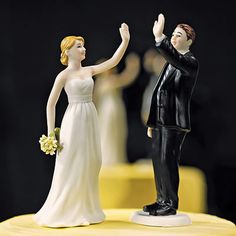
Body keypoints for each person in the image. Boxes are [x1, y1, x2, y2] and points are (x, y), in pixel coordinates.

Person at [34, 23, 130, 227]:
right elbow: (51, 104)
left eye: (83, 46)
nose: (83, 49)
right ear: (67, 52)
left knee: (91, 160)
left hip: (90, 116)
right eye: (78, 46)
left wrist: (125, 41)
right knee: (72, 160)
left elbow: (113, 61)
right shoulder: (64, 76)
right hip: (74, 118)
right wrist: (51, 134)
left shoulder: (90, 70)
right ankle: (67, 208)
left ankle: (87, 207)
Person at [143, 14, 199, 216]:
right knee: (158, 160)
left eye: (178, 35)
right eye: (172, 35)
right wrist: (152, 122)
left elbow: (174, 57)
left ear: (189, 41)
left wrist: (160, 39)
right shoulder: (170, 62)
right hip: (161, 122)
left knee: (168, 161)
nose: (174, 38)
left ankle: (170, 203)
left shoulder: (189, 62)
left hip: (174, 122)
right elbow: (160, 91)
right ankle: (161, 200)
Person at [94, 52, 140, 165]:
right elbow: (127, 78)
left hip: (114, 109)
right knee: (107, 133)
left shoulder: (105, 81)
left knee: (116, 133)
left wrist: (133, 67)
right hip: (107, 111)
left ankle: (114, 158)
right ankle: (108, 159)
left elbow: (127, 78)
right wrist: (133, 67)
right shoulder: (103, 82)